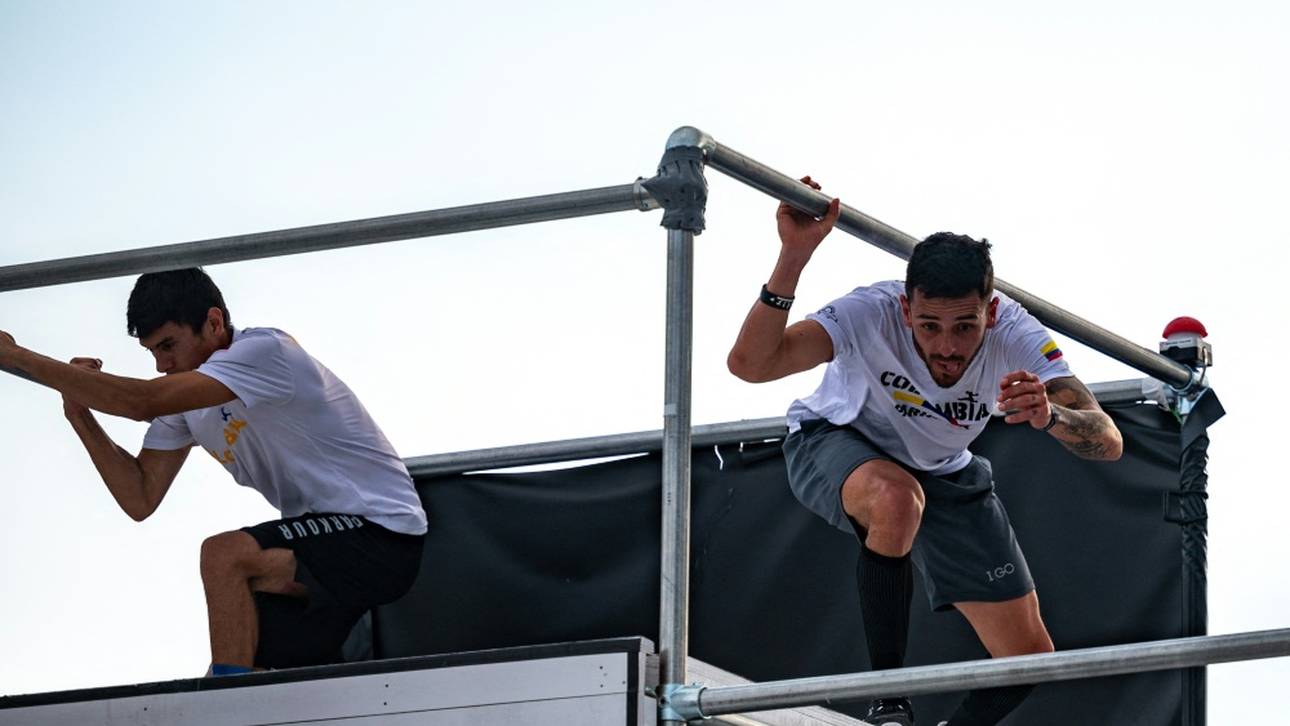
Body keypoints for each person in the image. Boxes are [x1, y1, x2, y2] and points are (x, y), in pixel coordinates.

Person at [727, 178, 1123, 726]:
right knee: (896, 499)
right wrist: (793, 256)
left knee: (1031, 661)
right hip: (836, 438)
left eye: (965, 327)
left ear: (991, 311)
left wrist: (1051, 416)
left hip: (945, 472)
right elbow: (752, 365)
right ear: (905, 308)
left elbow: (1108, 441)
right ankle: (888, 696)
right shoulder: (868, 312)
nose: (947, 347)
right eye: (930, 326)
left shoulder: (1019, 335)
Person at [0, 268, 427, 675]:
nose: (161, 364)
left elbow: (140, 402)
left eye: (168, 345)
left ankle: (225, 705)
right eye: (151, 352)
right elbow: (139, 496)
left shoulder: (266, 352)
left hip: (382, 534)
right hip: (321, 543)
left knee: (225, 556)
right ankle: (237, 693)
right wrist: (79, 411)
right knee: (256, 657)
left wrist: (16, 356)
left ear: (214, 322)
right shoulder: (187, 402)